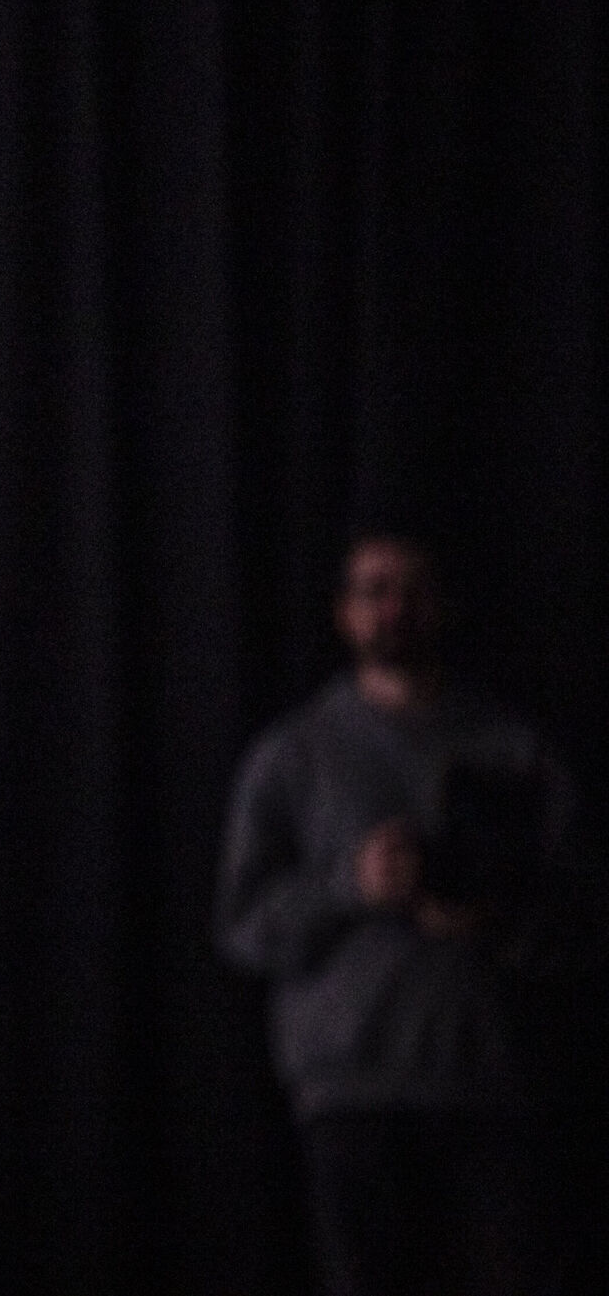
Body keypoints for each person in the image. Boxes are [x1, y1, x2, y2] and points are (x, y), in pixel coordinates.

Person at [216, 528, 595, 1296]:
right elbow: (243, 925)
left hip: (492, 1088)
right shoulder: (293, 754)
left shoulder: (515, 747)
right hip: (352, 1095)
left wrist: (497, 922)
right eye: (372, 589)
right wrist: (351, 885)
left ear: (443, 605)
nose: (393, 607)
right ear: (343, 612)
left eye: (411, 587)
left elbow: (585, 916)